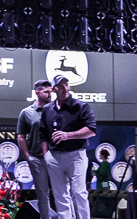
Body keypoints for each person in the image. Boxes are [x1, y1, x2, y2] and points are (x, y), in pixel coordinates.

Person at [43, 74, 98, 219]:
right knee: (60, 194)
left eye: (66, 85)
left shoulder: (80, 106)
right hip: (54, 157)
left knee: (79, 192)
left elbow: (91, 130)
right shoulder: (47, 109)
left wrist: (67, 135)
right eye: (60, 86)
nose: (65, 89)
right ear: (54, 89)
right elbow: (43, 134)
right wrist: (45, 155)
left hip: (76, 155)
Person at [18, 79, 54, 219]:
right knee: (42, 193)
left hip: (57, 157)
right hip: (37, 159)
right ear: (37, 93)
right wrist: (28, 157)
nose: (50, 95)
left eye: (51, 92)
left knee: (62, 191)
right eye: (46, 92)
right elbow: (21, 137)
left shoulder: (55, 110)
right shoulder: (26, 113)